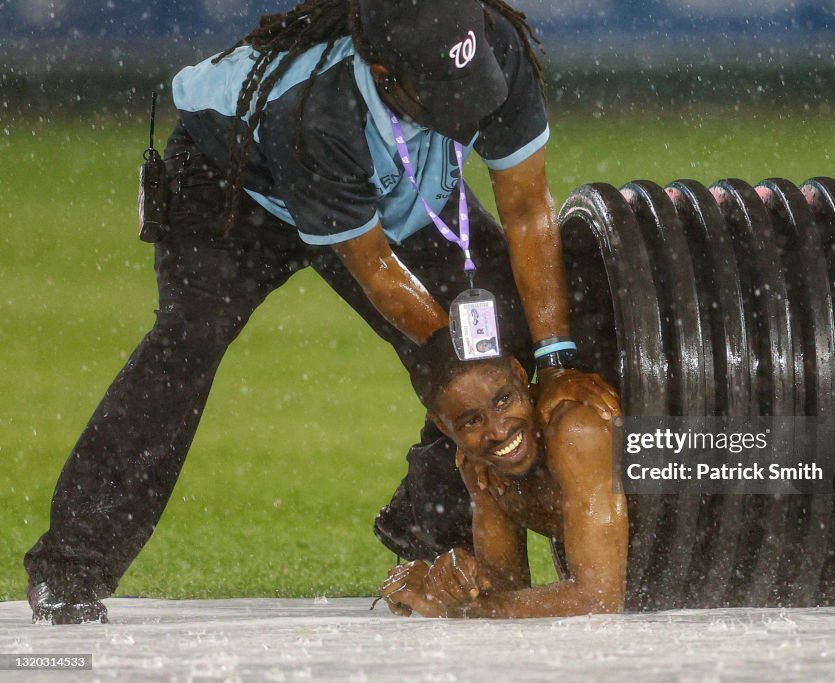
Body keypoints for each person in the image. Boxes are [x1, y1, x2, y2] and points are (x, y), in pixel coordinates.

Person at [25, 0, 618, 624]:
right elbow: (379, 273)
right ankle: (71, 568)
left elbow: (528, 211)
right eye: (446, 97)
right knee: (184, 348)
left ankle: (429, 538)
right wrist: (469, 372)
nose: (469, 110)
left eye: (473, 92)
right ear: (384, 74)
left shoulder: (493, 48)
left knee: (513, 332)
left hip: (396, 187)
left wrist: (553, 361)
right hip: (236, 190)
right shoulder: (316, 111)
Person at [379, 330, 628, 618]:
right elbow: (507, 593)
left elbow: (599, 601)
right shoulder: (479, 465)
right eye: (472, 421)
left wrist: (468, 607)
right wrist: (446, 586)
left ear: (520, 373)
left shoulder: (576, 430)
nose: (498, 431)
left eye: (504, 400)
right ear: (443, 427)